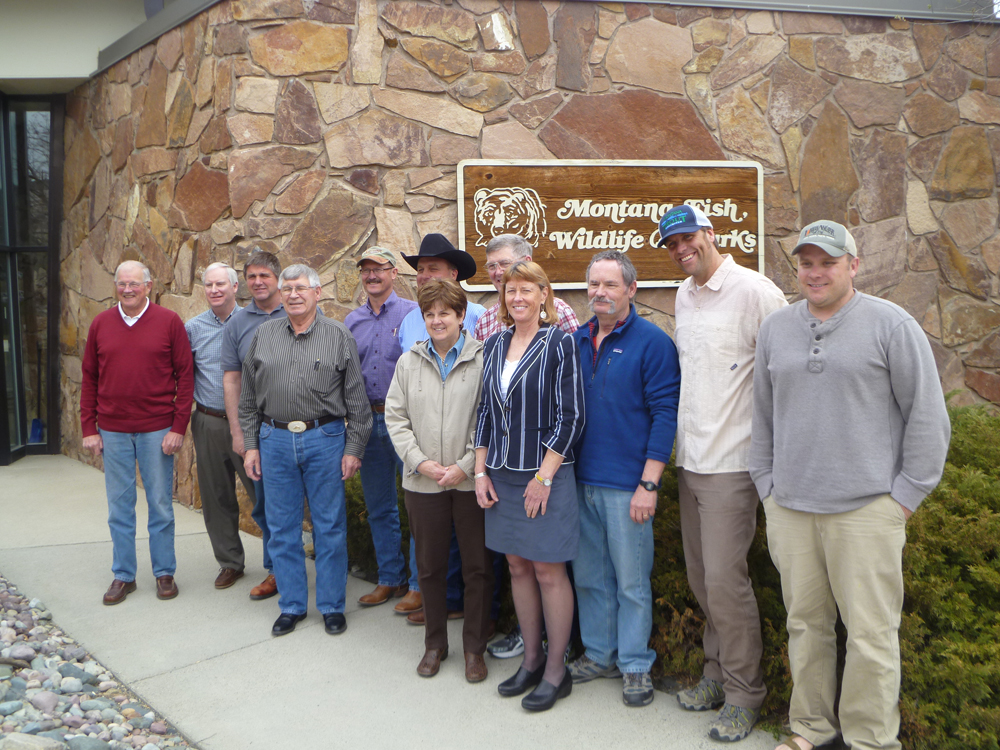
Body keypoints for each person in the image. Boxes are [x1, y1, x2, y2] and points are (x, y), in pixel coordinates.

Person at [749, 220, 950, 750]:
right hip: (791, 508)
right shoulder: (775, 329)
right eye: (806, 263)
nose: (815, 273)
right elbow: (762, 417)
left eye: (828, 262)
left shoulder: (892, 325)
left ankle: (871, 741)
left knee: (870, 635)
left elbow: (928, 416)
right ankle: (811, 730)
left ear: (853, 266)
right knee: (805, 626)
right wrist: (766, 486)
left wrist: (904, 498)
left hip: (867, 510)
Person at [657, 205, 787, 740]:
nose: (680, 248)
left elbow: (783, 374)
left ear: (711, 234)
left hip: (733, 463)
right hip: (691, 459)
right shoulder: (683, 296)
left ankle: (744, 694)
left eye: (687, 237)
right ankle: (715, 674)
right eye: (671, 243)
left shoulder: (756, 292)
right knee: (702, 578)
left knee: (726, 583)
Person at [568, 250, 680, 708]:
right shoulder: (576, 340)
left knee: (631, 582)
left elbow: (665, 415)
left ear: (631, 289)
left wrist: (649, 484)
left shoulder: (653, 343)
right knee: (590, 577)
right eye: (594, 284)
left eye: (610, 284)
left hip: (628, 487)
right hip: (580, 482)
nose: (600, 292)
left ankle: (635, 664)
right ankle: (600, 654)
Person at [474, 261, 585, 712]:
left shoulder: (559, 343)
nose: (517, 297)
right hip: (501, 473)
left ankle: (557, 670)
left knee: (547, 571)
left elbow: (571, 417)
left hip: (545, 474)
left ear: (544, 294)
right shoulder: (494, 343)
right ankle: (532, 660)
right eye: (510, 290)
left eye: (526, 289)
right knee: (517, 566)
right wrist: (479, 471)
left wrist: (543, 476)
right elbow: (485, 411)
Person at [239, 264, 372, 638]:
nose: (293, 294)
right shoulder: (264, 335)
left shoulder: (338, 336)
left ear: (317, 293)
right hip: (274, 440)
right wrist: (251, 446)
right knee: (281, 527)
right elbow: (248, 399)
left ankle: (331, 606)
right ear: (280, 295)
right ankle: (292, 605)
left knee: (329, 526)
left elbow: (357, 401)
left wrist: (353, 448)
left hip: (324, 439)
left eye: (301, 288)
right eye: (287, 289)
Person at [385, 279, 493, 682]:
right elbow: (395, 417)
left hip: (469, 482)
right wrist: (420, 463)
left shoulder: (484, 359)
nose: (436, 320)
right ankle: (435, 645)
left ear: (461, 315)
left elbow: (489, 417)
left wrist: (465, 466)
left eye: (445, 313)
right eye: (429, 314)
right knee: (429, 568)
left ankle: (474, 649)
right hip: (423, 482)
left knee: (477, 569)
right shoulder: (408, 362)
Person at [81, 260, 194, 605]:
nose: (127, 289)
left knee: (160, 504)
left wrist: (178, 427)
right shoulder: (101, 324)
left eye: (134, 283)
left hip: (157, 430)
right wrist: (89, 427)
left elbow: (186, 376)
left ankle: (164, 572)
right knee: (119, 506)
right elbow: (89, 377)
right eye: (122, 283)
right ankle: (123, 575)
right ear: (116, 286)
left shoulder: (169, 322)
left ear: (148, 286)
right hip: (112, 430)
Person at [395, 233, 486, 622]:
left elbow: (484, 408)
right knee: (429, 551)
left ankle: (471, 625)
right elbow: (399, 407)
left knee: (474, 558)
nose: (424, 275)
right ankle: (434, 614)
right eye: (420, 269)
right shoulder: (409, 327)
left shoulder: (480, 327)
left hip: (466, 466)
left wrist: (465, 464)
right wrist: (419, 460)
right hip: (423, 463)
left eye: (433, 268)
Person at [345, 247, 418, 608]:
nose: (372, 276)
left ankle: (418, 585)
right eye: (366, 270)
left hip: (406, 422)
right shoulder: (351, 321)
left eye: (379, 269)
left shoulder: (412, 314)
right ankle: (391, 578)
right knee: (379, 506)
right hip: (367, 421)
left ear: (393, 273)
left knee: (418, 506)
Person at [186, 262, 259, 590]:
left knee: (263, 494)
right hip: (209, 422)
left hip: (250, 422)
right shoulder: (193, 328)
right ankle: (230, 562)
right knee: (216, 497)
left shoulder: (253, 322)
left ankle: (277, 564)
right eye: (209, 285)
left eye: (221, 284)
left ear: (235, 287)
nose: (214, 290)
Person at [221, 250, 286, 601]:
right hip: (260, 428)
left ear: (277, 279)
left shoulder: (299, 310)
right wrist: (239, 434)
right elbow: (231, 380)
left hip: (306, 427)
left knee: (319, 508)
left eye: (264, 276)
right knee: (266, 504)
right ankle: (276, 571)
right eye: (252, 277)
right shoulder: (238, 323)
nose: (258, 282)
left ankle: (324, 570)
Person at [473, 233, 580, 341]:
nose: (498, 272)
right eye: (492, 266)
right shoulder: (484, 322)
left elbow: (576, 349)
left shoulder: (560, 311)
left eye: (505, 263)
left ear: (527, 261)